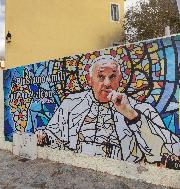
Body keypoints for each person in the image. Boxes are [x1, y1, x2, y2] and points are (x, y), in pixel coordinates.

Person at [36, 55, 180, 167]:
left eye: (112, 77)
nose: (107, 83)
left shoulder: (139, 110)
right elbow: (55, 139)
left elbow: (170, 151)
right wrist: (44, 138)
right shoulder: (71, 103)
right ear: (89, 79)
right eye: (100, 77)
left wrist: (131, 116)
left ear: (120, 79)